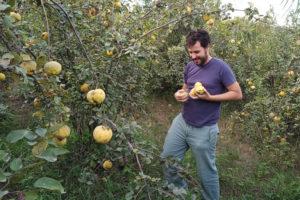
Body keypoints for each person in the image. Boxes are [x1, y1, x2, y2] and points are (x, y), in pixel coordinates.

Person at [161, 29, 243, 200]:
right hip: (182, 122)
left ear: (207, 47)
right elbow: (185, 87)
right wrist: (179, 94)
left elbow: (237, 93)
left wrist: (210, 97)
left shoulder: (221, 68)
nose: (193, 56)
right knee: (167, 161)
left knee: (206, 173)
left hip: (204, 128)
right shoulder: (190, 66)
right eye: (190, 52)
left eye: (196, 52)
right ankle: (180, 194)